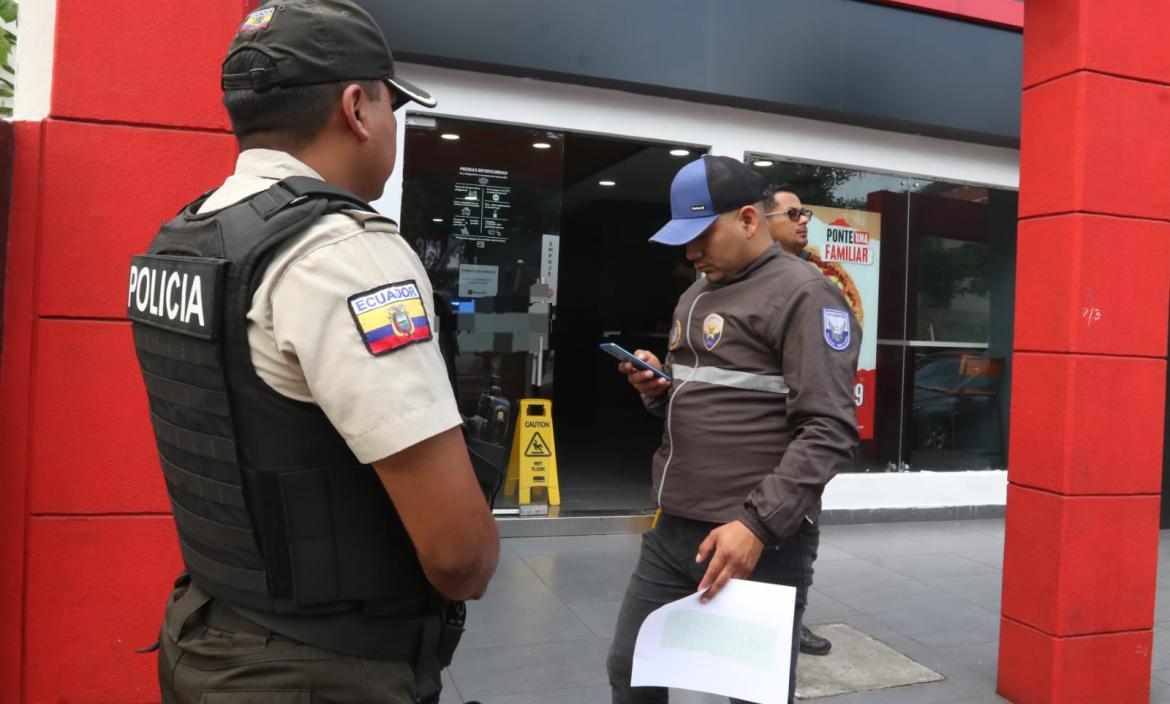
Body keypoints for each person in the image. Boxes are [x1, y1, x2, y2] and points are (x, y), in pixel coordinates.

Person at [125, 2, 498, 702]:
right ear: (357, 107)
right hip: (316, 671)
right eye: (393, 106)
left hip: (204, 635)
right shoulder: (346, 255)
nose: (393, 126)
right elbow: (460, 558)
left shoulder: (186, 238)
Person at [606, 156, 860, 704]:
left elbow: (830, 428)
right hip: (674, 529)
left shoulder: (805, 294)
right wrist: (659, 392)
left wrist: (756, 525)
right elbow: (707, 394)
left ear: (748, 220)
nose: (691, 252)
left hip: (758, 539)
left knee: (752, 692)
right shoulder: (695, 294)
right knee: (631, 666)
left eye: (701, 235)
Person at [761, 183, 832, 657]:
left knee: (798, 544)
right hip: (756, 447)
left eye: (804, 212)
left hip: (799, 444)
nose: (803, 219)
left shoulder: (815, 280)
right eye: (792, 214)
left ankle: (792, 623)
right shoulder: (741, 284)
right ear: (758, 221)